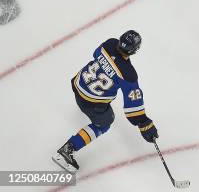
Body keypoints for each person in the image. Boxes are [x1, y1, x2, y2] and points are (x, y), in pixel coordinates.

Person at [52, 30, 158, 172]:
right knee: (105, 122)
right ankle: (69, 148)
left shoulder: (109, 43)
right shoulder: (128, 75)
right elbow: (133, 109)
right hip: (90, 102)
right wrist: (145, 125)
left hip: (78, 84)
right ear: (135, 50)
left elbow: (96, 54)